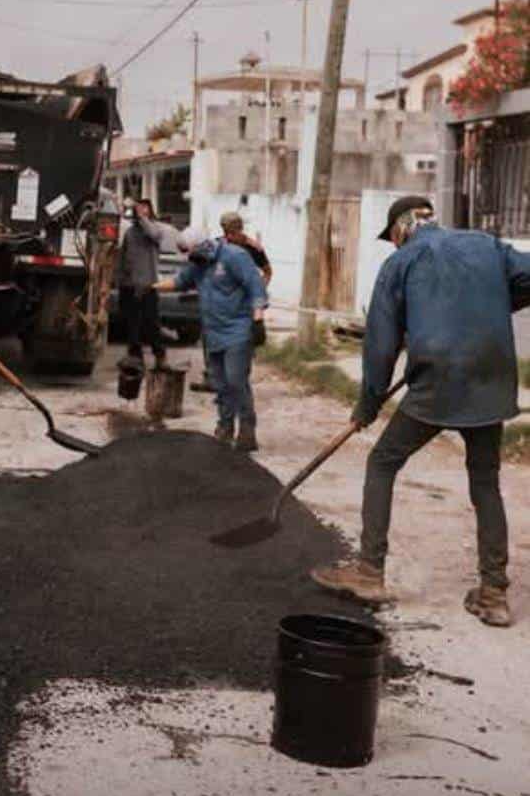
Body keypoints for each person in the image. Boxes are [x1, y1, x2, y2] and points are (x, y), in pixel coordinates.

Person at [311, 196, 530, 628]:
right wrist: (493, 304)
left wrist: (368, 403)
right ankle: (493, 594)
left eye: (391, 238)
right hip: (491, 379)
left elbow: (380, 344)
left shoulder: (401, 262)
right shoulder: (487, 245)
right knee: (484, 481)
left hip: (438, 382)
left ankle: (370, 571)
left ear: (400, 228)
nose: (393, 244)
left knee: (382, 462)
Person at [157, 225, 267, 451]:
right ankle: (225, 427)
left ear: (203, 244)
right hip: (212, 333)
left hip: (237, 330)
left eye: (190, 252)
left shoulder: (235, 257)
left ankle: (247, 431)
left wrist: (258, 320)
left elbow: (256, 287)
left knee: (236, 381)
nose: (188, 257)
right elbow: (180, 282)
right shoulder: (198, 263)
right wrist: (151, 287)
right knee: (220, 383)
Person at [193, 212, 273, 392]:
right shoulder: (216, 244)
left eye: (233, 231)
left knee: (244, 341)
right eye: (226, 231)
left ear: (240, 229)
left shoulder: (253, 248)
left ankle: (239, 379)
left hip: (243, 306)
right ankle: (212, 378)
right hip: (220, 304)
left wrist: (258, 291)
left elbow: (268, 271)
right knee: (210, 338)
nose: (229, 235)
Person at [116, 198, 169, 369]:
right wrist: (121, 281)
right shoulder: (130, 232)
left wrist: (143, 218)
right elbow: (124, 258)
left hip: (147, 284)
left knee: (151, 323)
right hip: (130, 285)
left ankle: (160, 355)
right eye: (139, 208)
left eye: (145, 208)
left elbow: (154, 234)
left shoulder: (155, 228)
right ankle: (135, 356)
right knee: (132, 323)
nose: (140, 210)